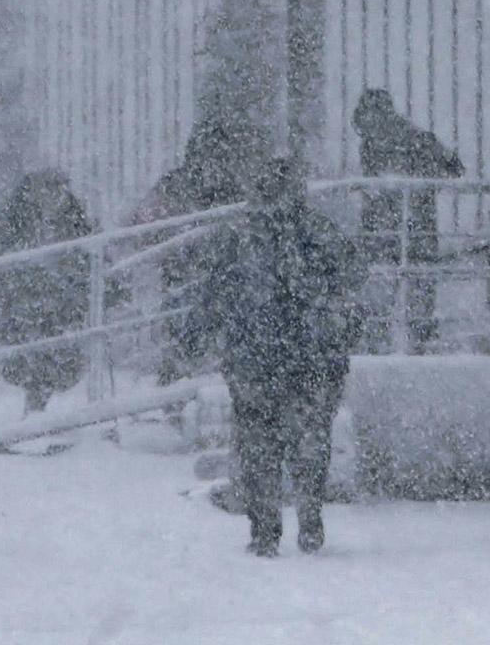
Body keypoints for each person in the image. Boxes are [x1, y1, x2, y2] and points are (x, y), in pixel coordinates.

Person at [184, 156, 364, 557]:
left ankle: (265, 530)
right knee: (309, 444)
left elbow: (214, 295)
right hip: (311, 361)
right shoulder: (319, 232)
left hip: (256, 360)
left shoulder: (240, 238)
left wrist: (199, 336)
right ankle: (309, 519)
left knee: (259, 447)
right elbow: (351, 280)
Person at [131, 102, 263, 383]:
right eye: (208, 154)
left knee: (208, 324)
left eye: (219, 155)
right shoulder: (176, 185)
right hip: (184, 280)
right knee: (188, 327)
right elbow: (144, 226)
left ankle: (187, 379)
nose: (213, 163)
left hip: (216, 282)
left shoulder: (232, 191)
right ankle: (179, 380)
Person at [353, 88, 464, 352]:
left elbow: (454, 168)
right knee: (409, 295)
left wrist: (416, 183)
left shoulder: (414, 140)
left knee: (395, 295)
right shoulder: (410, 140)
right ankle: (413, 347)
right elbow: (453, 167)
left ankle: (393, 349)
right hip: (404, 232)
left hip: (396, 232)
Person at [0, 170, 96, 414]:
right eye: (49, 187)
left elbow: (90, 254)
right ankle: (36, 412)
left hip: (62, 306)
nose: (56, 194)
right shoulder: (17, 216)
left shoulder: (73, 217)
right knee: (33, 356)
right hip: (25, 303)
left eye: (60, 187)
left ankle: (37, 412)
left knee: (53, 355)